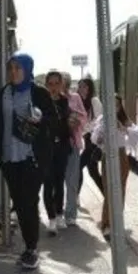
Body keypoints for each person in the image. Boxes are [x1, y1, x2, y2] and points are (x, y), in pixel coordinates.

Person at [0, 53, 50, 269]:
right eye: (10, 68)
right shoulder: (2, 94)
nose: (13, 72)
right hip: (9, 157)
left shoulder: (39, 93)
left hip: (32, 158)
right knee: (20, 202)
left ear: (27, 70)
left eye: (17, 68)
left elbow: (54, 123)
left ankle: (31, 248)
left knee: (28, 201)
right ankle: (30, 246)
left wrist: (40, 120)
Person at [91, 93, 138, 241]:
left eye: (117, 105)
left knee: (120, 190)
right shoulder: (102, 120)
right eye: (112, 104)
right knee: (108, 190)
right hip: (107, 155)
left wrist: (124, 129)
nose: (115, 107)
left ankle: (117, 224)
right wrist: (102, 133)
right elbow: (94, 139)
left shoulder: (124, 120)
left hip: (120, 156)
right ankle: (106, 224)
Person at [41, 71, 72, 234]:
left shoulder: (65, 101)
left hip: (62, 147)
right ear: (47, 85)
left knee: (59, 182)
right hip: (46, 148)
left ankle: (60, 214)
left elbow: (66, 124)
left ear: (61, 85)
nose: (53, 87)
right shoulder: (42, 102)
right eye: (50, 84)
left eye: (56, 84)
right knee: (48, 182)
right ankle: (51, 218)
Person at [61, 72, 87, 227]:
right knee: (56, 181)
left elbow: (84, 117)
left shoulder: (75, 98)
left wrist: (75, 118)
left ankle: (70, 214)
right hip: (56, 144)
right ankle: (57, 212)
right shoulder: (52, 98)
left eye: (64, 81)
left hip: (73, 143)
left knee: (71, 180)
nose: (61, 84)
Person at [77, 77, 104, 194]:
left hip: (96, 139)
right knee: (93, 172)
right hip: (88, 138)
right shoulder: (80, 102)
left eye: (84, 86)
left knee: (78, 166)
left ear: (90, 88)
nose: (81, 89)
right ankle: (107, 195)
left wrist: (86, 127)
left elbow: (100, 120)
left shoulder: (94, 101)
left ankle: (75, 196)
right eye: (80, 86)